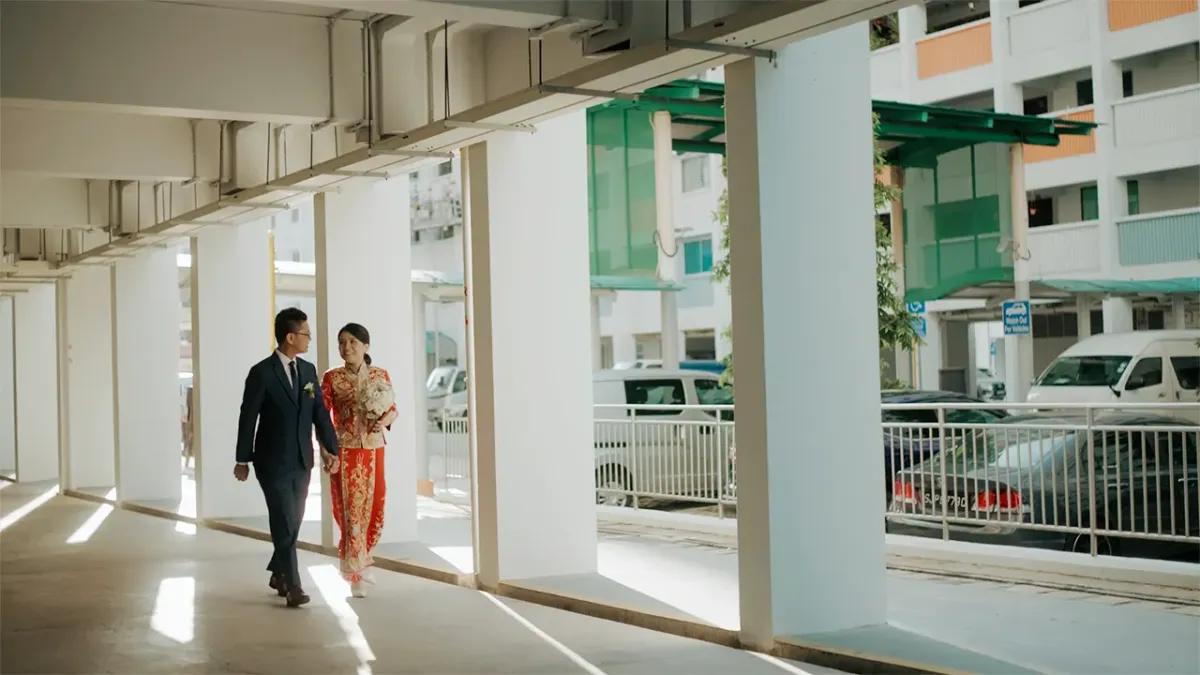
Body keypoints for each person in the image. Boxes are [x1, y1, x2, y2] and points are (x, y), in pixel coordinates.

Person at [235, 307, 339, 608]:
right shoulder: (261, 373)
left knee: (294, 519)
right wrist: (242, 459)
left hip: (302, 460)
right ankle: (293, 586)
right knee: (283, 519)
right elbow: (248, 417)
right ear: (290, 337)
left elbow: (319, 412)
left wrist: (331, 449)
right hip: (271, 462)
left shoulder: (307, 370)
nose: (309, 339)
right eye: (306, 334)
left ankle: (278, 572)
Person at [321, 323, 397, 598]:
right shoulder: (332, 378)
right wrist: (326, 450)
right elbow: (322, 416)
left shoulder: (380, 375)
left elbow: (392, 409)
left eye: (353, 341)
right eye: (342, 342)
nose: (347, 347)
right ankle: (354, 572)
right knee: (351, 510)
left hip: (374, 449)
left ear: (366, 346)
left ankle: (364, 557)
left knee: (375, 506)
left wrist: (382, 421)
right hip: (345, 450)